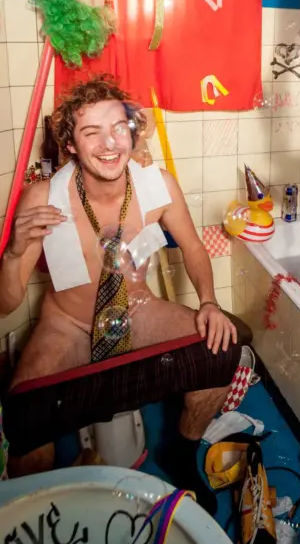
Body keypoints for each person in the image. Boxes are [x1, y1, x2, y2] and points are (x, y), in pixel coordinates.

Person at [0, 76, 243, 512]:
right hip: (68, 324)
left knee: (222, 352)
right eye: (91, 132)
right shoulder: (44, 198)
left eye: (117, 127)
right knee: (25, 419)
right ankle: (40, 508)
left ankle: (181, 451)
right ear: (70, 144)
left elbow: (192, 248)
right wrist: (14, 252)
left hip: (137, 309)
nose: (109, 143)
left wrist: (208, 302)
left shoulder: (158, 185)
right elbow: (7, 305)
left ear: (132, 131)